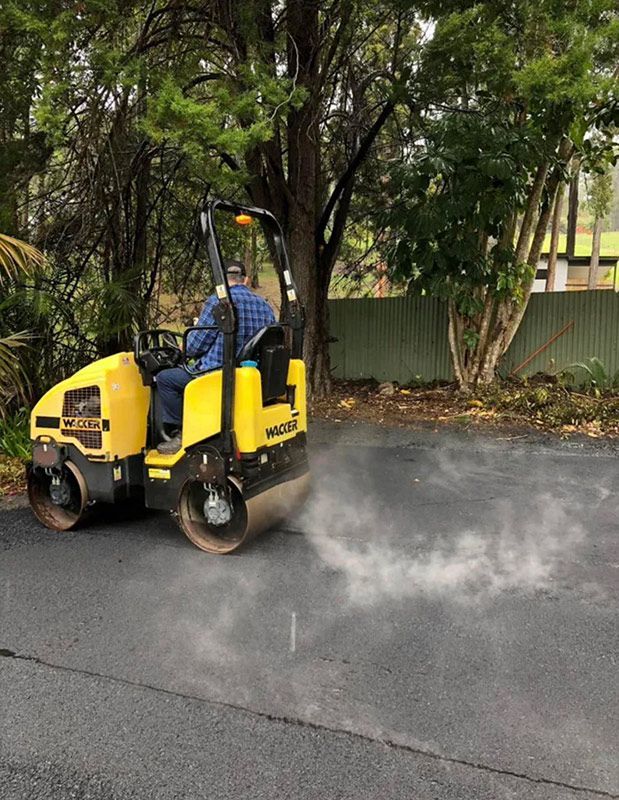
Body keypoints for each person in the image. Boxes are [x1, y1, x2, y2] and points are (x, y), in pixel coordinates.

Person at [156, 260, 276, 454]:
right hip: (252, 376)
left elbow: (194, 347)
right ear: (245, 279)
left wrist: (182, 347)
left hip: (217, 375)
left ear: (221, 280)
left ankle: (182, 435)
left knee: (165, 379)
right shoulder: (264, 306)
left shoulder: (219, 303)